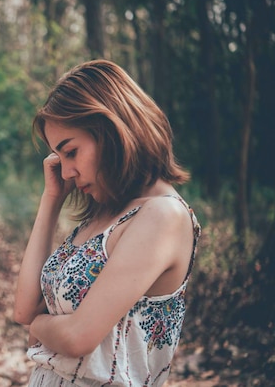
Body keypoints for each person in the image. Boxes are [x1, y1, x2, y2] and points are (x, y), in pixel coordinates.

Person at [13, 59, 201, 386]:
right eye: (60, 157)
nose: (66, 171)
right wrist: (51, 199)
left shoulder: (162, 215)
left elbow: (77, 336)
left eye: (71, 152)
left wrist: (38, 328)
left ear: (111, 132)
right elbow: (24, 309)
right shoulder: (105, 212)